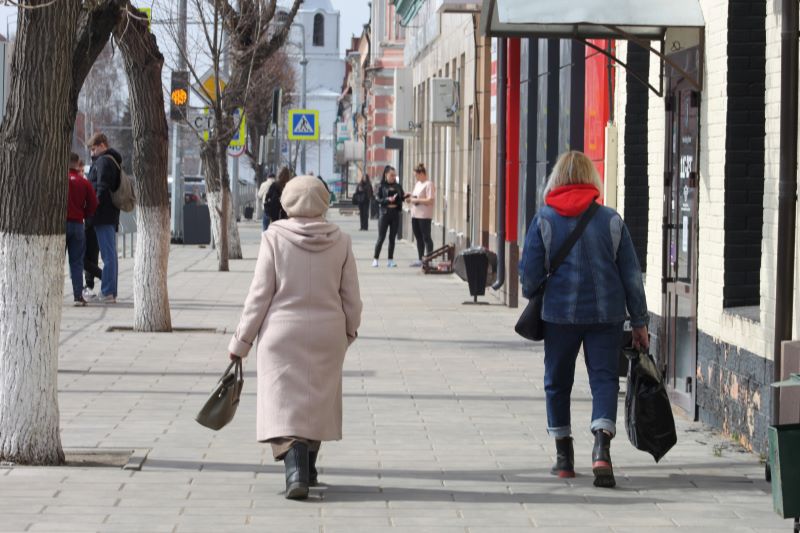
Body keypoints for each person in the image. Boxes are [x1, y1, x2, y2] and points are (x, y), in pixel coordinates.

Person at [518, 150, 649, 489]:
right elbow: (632, 276)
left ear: (557, 179)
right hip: (606, 315)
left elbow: (529, 276)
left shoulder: (544, 220)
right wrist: (639, 322)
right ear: (591, 179)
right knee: (604, 379)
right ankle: (601, 449)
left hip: (559, 315)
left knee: (557, 381)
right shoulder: (611, 220)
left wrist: (535, 290)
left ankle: (564, 458)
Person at [228, 175, 362, 500]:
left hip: (281, 336)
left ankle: (296, 469)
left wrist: (241, 343)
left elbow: (259, 295)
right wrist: (349, 331)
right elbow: (352, 298)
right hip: (328, 333)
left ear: (287, 202)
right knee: (317, 399)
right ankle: (308, 466)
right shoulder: (341, 241)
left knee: (284, 404)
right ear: (324, 203)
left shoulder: (274, 237)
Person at [86, 132, 122, 304]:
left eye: (94, 149)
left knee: (108, 256)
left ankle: (107, 292)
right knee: (111, 255)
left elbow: (101, 188)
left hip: (102, 215)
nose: (92, 153)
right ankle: (111, 291)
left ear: (102, 145)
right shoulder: (112, 160)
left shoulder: (103, 162)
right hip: (110, 214)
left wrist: (92, 208)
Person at [66, 152, 98, 307]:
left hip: (61, 226)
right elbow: (94, 204)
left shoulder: (60, 180)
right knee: (77, 262)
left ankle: (52, 295)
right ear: (77, 163)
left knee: (56, 262)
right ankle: (78, 296)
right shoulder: (84, 183)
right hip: (78, 225)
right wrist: (83, 214)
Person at [372, 166, 405, 267]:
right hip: (384, 214)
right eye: (391, 175)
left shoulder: (398, 186)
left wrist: (406, 197)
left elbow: (402, 197)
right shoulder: (381, 186)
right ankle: (375, 259)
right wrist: (387, 199)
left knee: (392, 238)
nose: (393, 177)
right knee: (381, 237)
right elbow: (377, 199)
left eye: (394, 175)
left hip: (395, 213)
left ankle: (390, 260)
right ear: (386, 175)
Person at [407, 163, 435, 267]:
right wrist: (410, 197)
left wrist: (417, 200)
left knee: (426, 237)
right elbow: (416, 196)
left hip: (424, 215)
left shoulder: (429, 184)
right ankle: (420, 258)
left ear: (422, 173)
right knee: (418, 237)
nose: (416, 177)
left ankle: (429, 260)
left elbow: (430, 200)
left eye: (416, 175)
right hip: (415, 214)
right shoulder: (418, 184)